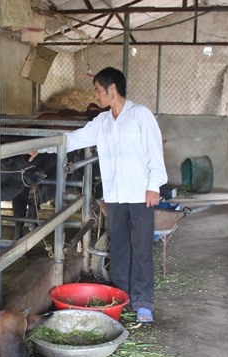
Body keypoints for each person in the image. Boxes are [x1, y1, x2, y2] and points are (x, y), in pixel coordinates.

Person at [30, 66, 167, 323]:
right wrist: (42, 147)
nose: (96, 96)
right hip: (115, 195)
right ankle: (122, 296)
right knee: (120, 248)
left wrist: (154, 185)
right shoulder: (102, 122)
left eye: (98, 90)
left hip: (140, 194)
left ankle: (143, 301)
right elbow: (73, 139)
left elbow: (154, 151)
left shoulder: (141, 115)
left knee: (141, 248)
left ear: (111, 89)